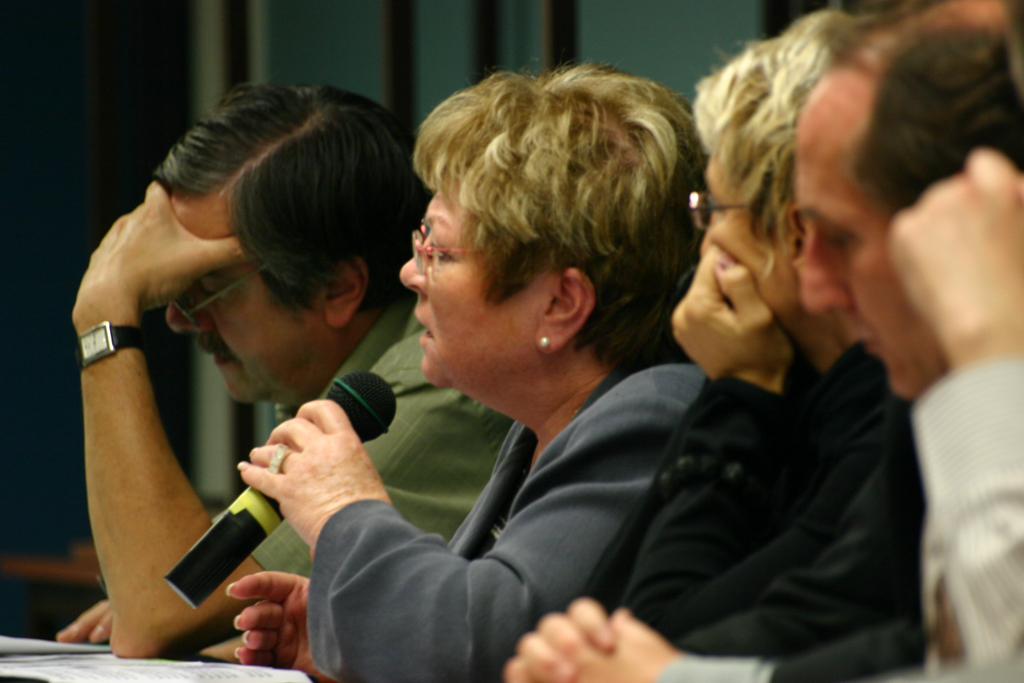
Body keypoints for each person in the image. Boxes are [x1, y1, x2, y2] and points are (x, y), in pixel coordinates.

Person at [504, 3, 1016, 683]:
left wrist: (739, 398)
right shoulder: (852, 388)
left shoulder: (899, 391)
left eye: (713, 209)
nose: (820, 281)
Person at [224, 64, 708, 683]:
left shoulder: (651, 419)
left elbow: (486, 641)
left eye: (439, 251)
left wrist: (342, 506)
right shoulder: (542, 426)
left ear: (560, 304)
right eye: (420, 237)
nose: (409, 272)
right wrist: (350, 634)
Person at [66, 84, 512, 658]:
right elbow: (186, 604)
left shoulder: (430, 386)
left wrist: (103, 316)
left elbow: (161, 613)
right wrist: (172, 606)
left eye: (203, 288)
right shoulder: (335, 383)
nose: (177, 317)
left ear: (337, 288)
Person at [581, 9, 889, 643]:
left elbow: (656, 642)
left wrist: (738, 395)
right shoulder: (788, 381)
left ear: (798, 232)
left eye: (715, 208)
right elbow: (598, 616)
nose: (704, 246)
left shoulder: (882, 421)